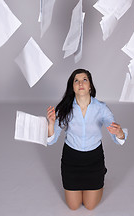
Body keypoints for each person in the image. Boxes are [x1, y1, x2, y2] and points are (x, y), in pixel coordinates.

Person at [46, 68, 127, 210]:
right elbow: (51, 140)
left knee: (90, 206)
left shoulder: (101, 108)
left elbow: (118, 137)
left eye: (84, 79)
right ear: (73, 87)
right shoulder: (65, 109)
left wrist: (119, 132)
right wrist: (51, 124)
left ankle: (100, 174)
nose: (80, 83)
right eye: (76, 80)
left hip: (94, 160)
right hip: (71, 160)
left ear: (90, 86)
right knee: (73, 206)